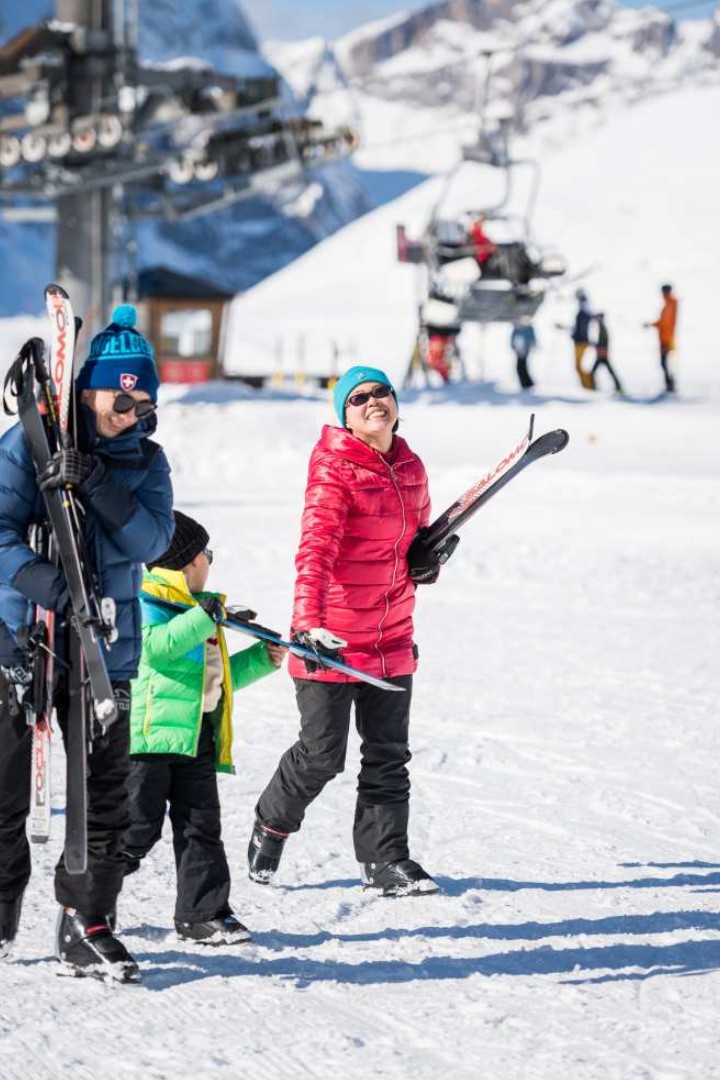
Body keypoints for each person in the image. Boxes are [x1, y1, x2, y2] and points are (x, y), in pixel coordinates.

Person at [0, 304, 174, 981]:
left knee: (109, 798)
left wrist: (95, 482)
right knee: (7, 789)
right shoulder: (26, 445)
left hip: (108, 649)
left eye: (142, 399)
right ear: (88, 388)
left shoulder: (146, 463)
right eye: (118, 394)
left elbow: (152, 542)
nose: (129, 410)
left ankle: (87, 922)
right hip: (25, 639)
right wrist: (50, 584)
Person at [246, 366, 458, 897]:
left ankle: (386, 861)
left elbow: (414, 544)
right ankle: (272, 822)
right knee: (322, 754)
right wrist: (307, 625)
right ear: (345, 414)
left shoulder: (410, 466)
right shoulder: (333, 467)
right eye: (358, 398)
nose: (372, 402)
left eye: (380, 392)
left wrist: (427, 564)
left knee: (388, 754)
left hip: (391, 631)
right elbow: (314, 551)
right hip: (332, 639)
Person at [122, 510, 286, 946]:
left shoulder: (201, 612)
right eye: (206, 554)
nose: (210, 562)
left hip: (196, 735)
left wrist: (260, 660)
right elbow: (157, 650)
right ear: (189, 562)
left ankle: (204, 913)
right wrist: (205, 617)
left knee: (201, 826)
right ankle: (88, 898)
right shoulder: (143, 601)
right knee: (137, 830)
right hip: (150, 740)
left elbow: (210, 680)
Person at [557, 289, 595, 390]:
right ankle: (588, 386)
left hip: (581, 342)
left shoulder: (584, 313)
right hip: (580, 341)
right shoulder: (584, 312)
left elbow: (580, 328)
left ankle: (589, 386)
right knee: (578, 366)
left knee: (578, 366)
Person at [644, 283, 678, 393]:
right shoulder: (669, 304)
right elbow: (663, 323)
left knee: (664, 362)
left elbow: (665, 323)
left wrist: (653, 325)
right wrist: (652, 325)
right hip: (666, 338)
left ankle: (670, 385)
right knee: (665, 362)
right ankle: (670, 384)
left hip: (666, 339)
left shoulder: (669, 305)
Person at [590, 313, 623, 394]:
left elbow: (604, 342)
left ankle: (594, 387)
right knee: (608, 371)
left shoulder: (603, 328)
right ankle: (618, 386)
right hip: (602, 353)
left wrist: (596, 345)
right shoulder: (602, 327)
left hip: (602, 354)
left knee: (593, 372)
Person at [510, 319, 536, 390]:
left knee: (521, 366)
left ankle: (527, 383)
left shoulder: (528, 329)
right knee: (520, 367)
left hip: (525, 350)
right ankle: (526, 383)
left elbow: (531, 339)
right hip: (518, 350)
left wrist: (528, 347)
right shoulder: (516, 329)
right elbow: (512, 339)